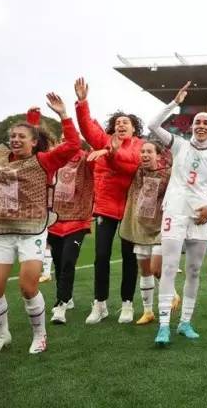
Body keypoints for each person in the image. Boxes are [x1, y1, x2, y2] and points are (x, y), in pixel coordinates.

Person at [0, 93, 81, 354]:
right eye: (12, 136)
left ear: (35, 142)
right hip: (0, 230)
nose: (15, 140)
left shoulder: (44, 161)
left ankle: (40, 335)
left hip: (30, 230)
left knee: (28, 287)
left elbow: (72, 145)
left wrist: (64, 115)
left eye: (22, 136)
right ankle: (2, 336)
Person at [146, 82, 207, 345]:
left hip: (200, 217)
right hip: (175, 212)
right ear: (191, 126)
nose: (201, 126)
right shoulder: (179, 145)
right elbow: (152, 126)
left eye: (206, 123)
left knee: (193, 270)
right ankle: (164, 325)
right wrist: (174, 103)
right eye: (197, 123)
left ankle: (185, 323)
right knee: (170, 267)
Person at [74, 78, 145, 324]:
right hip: (105, 206)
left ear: (134, 129)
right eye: (117, 123)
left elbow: (130, 164)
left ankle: (127, 304)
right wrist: (82, 102)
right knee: (101, 256)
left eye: (126, 122)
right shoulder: (103, 140)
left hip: (129, 209)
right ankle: (100, 303)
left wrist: (111, 153)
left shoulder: (139, 146)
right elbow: (87, 127)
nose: (121, 125)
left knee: (129, 256)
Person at [43, 108, 94, 325]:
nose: (64, 143)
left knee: (67, 263)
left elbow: (98, 157)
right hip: (54, 221)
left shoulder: (86, 159)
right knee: (57, 261)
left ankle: (60, 305)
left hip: (77, 221)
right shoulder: (53, 160)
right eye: (61, 140)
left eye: (68, 140)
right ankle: (68, 297)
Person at [118, 140, 172, 325]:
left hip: (160, 227)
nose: (145, 155)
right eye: (142, 151)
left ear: (158, 155)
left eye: (149, 151)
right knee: (145, 271)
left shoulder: (169, 174)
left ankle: (171, 294)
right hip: (140, 227)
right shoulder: (136, 172)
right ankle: (148, 312)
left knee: (157, 269)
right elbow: (118, 160)